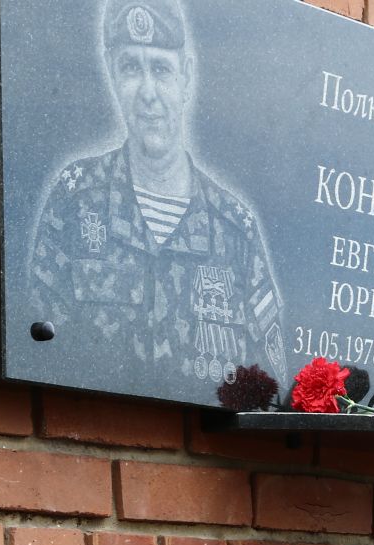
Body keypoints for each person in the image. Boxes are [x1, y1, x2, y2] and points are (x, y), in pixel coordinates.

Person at [26, 0, 287, 402]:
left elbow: (271, 391)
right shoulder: (76, 201)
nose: (148, 93)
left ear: (186, 74)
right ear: (112, 71)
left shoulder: (235, 229)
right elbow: (35, 353)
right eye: (132, 68)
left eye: (161, 69)